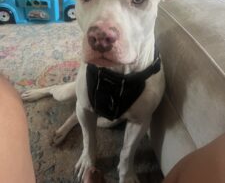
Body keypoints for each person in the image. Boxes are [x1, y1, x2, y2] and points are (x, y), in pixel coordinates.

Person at [1, 75, 225, 183]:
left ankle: (123, 166)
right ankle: (49, 89)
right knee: (69, 97)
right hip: (90, 91)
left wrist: (126, 168)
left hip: (138, 83)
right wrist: (88, 151)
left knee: (104, 118)